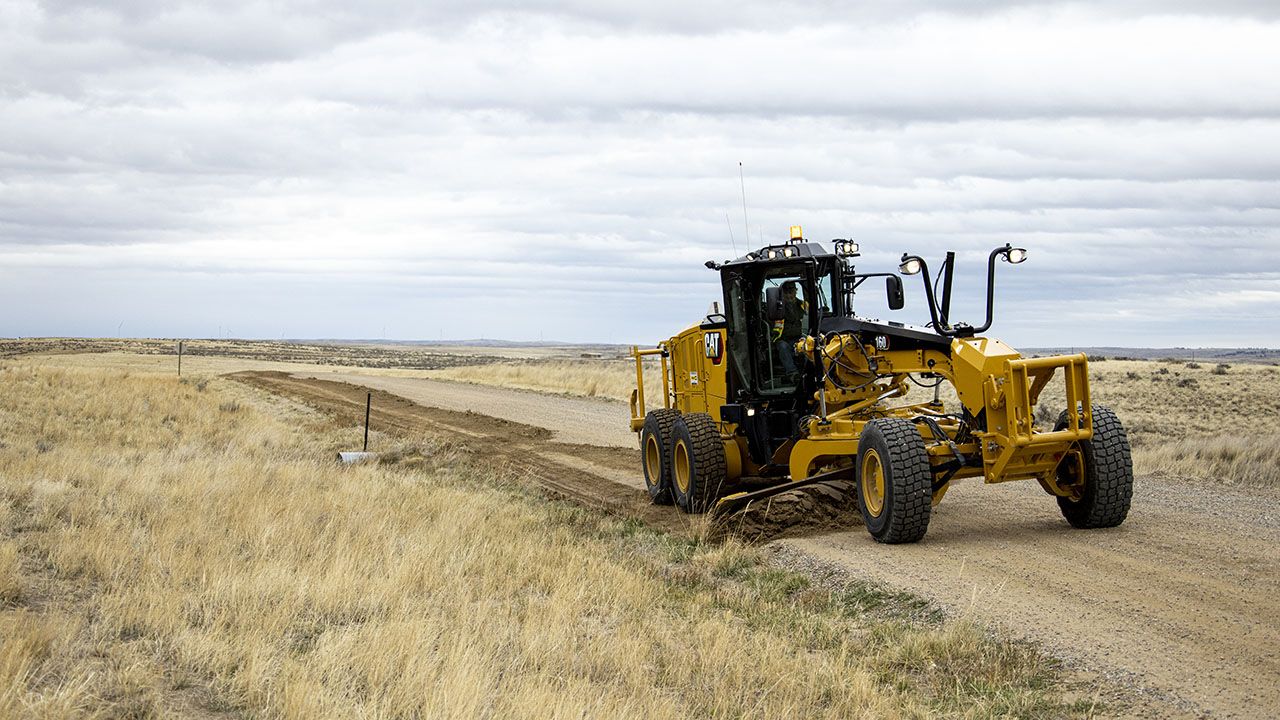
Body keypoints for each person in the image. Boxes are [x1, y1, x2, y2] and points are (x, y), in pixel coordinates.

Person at [775, 280, 806, 375]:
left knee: (809, 345)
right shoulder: (776, 308)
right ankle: (792, 373)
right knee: (782, 346)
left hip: (800, 337)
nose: (789, 295)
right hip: (783, 339)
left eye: (791, 292)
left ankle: (809, 372)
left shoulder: (804, 305)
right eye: (786, 292)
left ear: (796, 291)